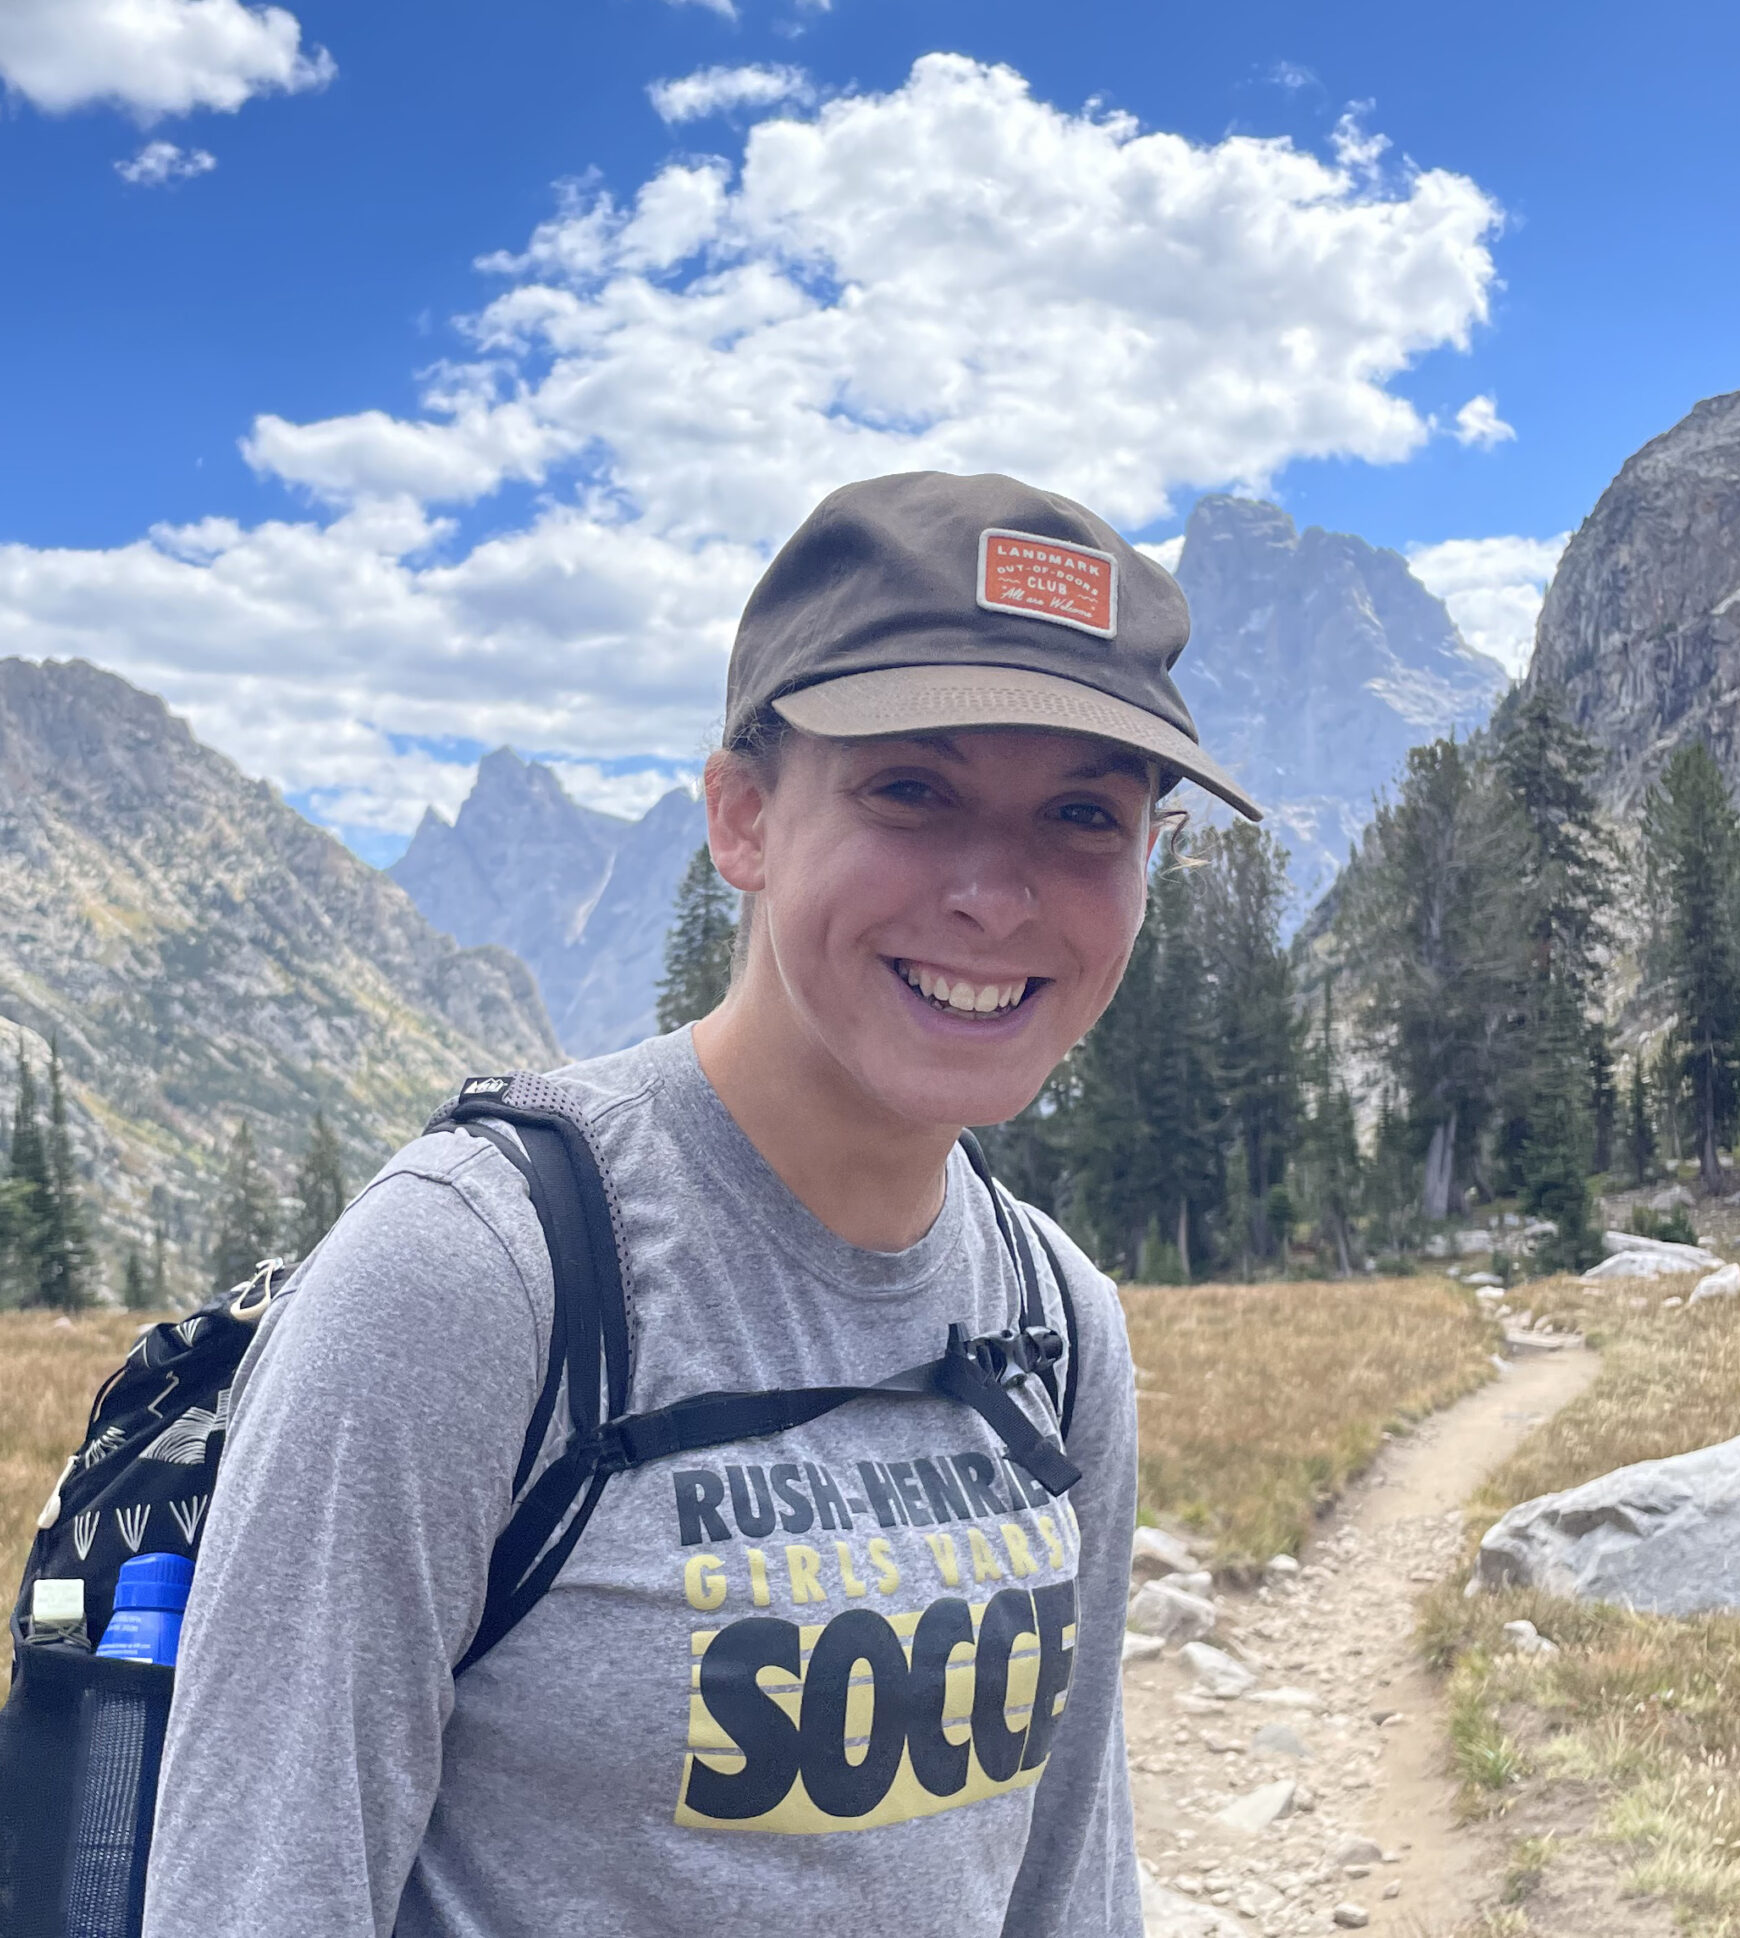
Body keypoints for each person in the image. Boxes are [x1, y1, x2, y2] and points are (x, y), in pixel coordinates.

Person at [143, 470, 1263, 1937]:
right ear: (742, 816)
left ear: (1148, 864)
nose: (998, 895)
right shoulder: (475, 1277)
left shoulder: (1057, 1324)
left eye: (1081, 814)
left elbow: (1069, 1889)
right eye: (911, 791)